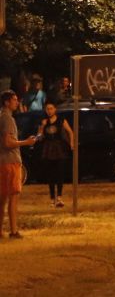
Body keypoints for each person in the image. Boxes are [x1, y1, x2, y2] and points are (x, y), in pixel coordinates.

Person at [1, 91, 37, 238]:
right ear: (6, 102)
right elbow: (8, 142)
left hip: (2, 162)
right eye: (14, 100)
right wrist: (26, 142)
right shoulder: (8, 119)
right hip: (10, 161)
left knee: (2, 198)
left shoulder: (2, 116)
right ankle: (14, 230)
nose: (17, 102)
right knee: (14, 196)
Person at [37, 101, 73, 208]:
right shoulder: (44, 122)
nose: (49, 111)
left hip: (59, 148)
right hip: (48, 148)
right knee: (51, 175)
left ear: (55, 109)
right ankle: (52, 199)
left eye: (51, 108)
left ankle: (59, 198)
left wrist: (72, 143)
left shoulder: (61, 120)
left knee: (60, 173)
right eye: (47, 109)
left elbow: (70, 132)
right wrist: (42, 127)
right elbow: (39, 137)